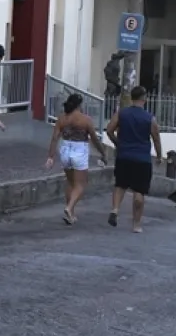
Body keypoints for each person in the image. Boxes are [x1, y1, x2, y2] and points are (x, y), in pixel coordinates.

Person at [106, 85, 163, 232]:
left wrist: (117, 143)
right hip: (142, 159)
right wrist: (159, 155)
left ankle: (115, 209)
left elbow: (109, 129)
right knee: (139, 191)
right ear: (144, 99)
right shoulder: (150, 118)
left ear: (132, 97)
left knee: (120, 185)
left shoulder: (122, 113)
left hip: (124, 155)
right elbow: (156, 138)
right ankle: (136, 224)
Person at [45, 93, 108, 225]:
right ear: (79, 105)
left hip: (65, 149)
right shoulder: (85, 119)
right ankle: (69, 208)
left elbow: (54, 138)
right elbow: (95, 139)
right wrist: (103, 153)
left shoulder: (62, 119)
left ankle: (71, 214)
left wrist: (51, 156)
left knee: (71, 182)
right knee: (81, 184)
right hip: (80, 150)